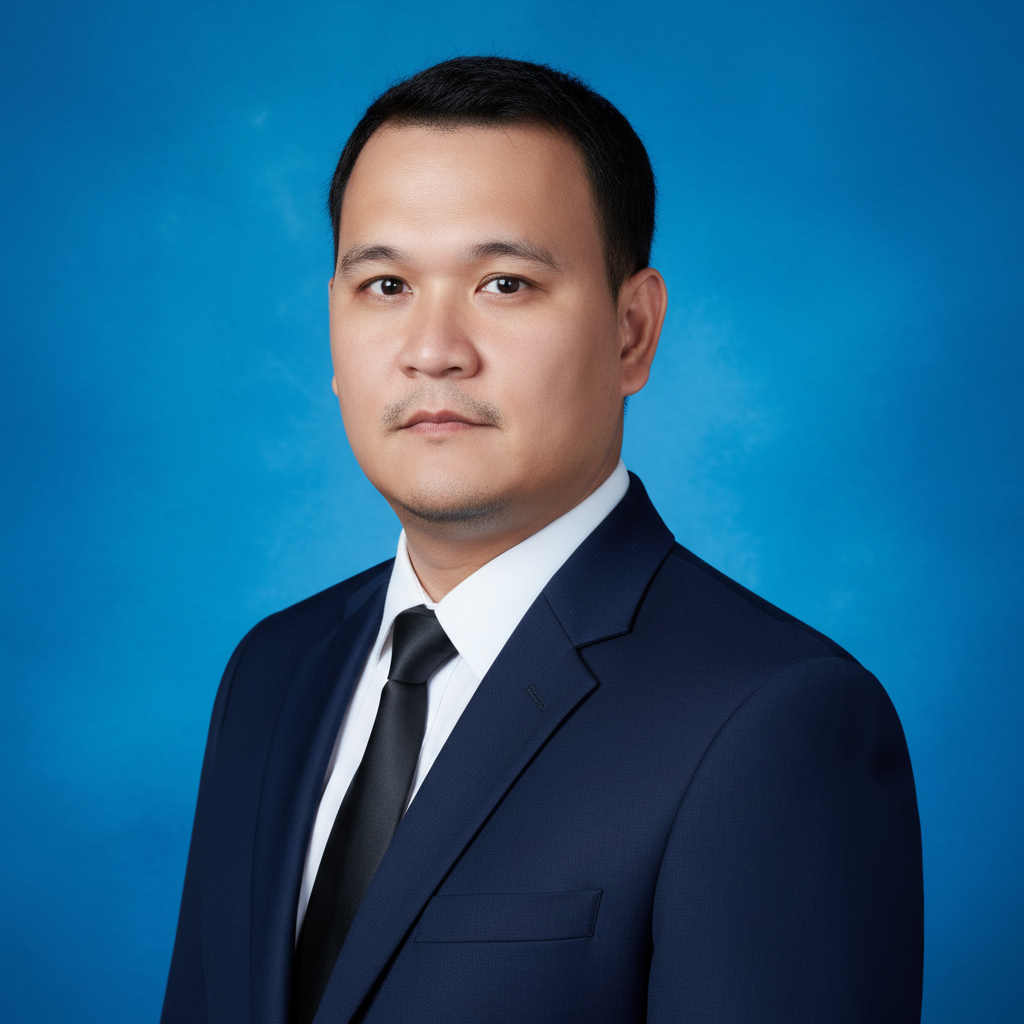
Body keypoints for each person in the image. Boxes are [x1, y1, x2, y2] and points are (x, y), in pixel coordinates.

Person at [161, 56, 923, 1024]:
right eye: (386, 284)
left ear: (631, 332)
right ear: (333, 328)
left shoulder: (775, 717)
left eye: (505, 283)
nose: (433, 348)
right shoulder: (273, 669)